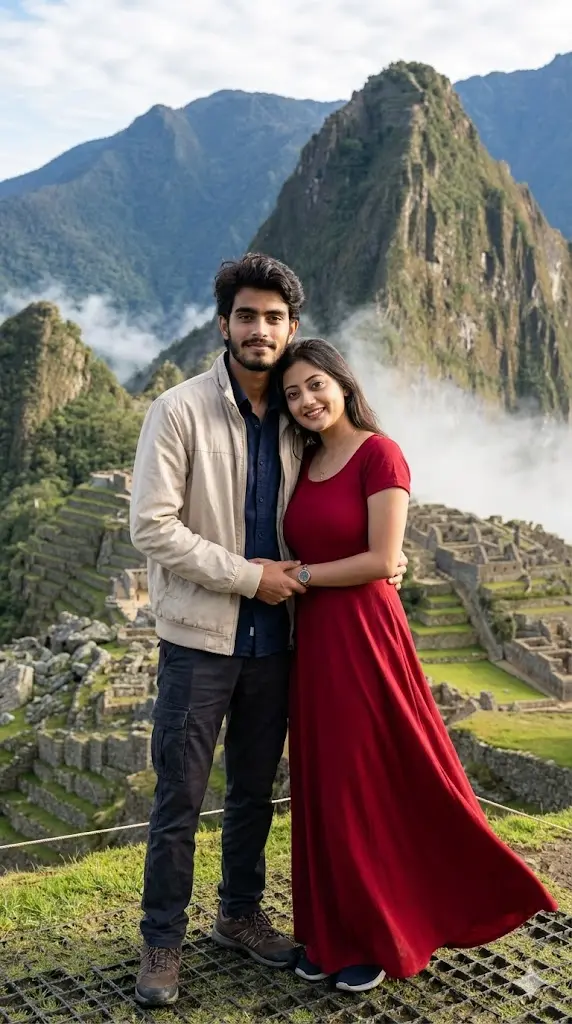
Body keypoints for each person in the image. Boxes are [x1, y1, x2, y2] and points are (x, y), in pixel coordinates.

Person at [129, 253, 408, 1006]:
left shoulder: (299, 424)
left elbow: (347, 506)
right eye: (246, 316)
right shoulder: (180, 409)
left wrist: (385, 559)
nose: (260, 329)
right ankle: (162, 942)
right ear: (224, 325)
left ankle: (239, 915)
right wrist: (254, 576)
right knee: (180, 796)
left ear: (292, 330)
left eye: (274, 318)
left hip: (278, 643)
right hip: (201, 638)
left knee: (255, 792)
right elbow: (151, 528)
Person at [277, 337, 558, 995]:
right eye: (293, 393)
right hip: (316, 639)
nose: (306, 400)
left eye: (316, 384)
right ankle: (331, 931)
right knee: (324, 782)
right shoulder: (309, 459)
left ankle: (381, 934)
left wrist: (302, 575)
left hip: (365, 634)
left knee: (366, 777)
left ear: (342, 382)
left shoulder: (381, 453)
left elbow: (382, 559)